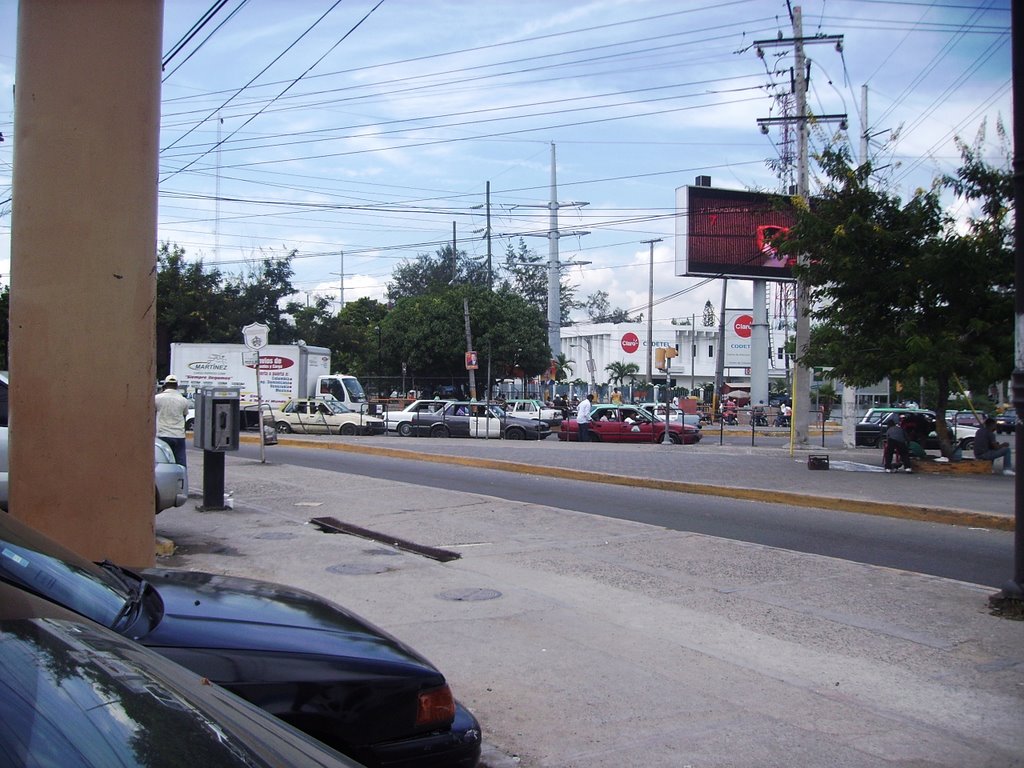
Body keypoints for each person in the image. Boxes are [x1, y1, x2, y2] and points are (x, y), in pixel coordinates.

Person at [155, 375, 190, 467]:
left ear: (165, 385)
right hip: (178, 435)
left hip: (163, 435)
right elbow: (184, 415)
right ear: (177, 386)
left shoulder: (157, 398)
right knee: (180, 463)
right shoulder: (183, 400)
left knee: (163, 462)